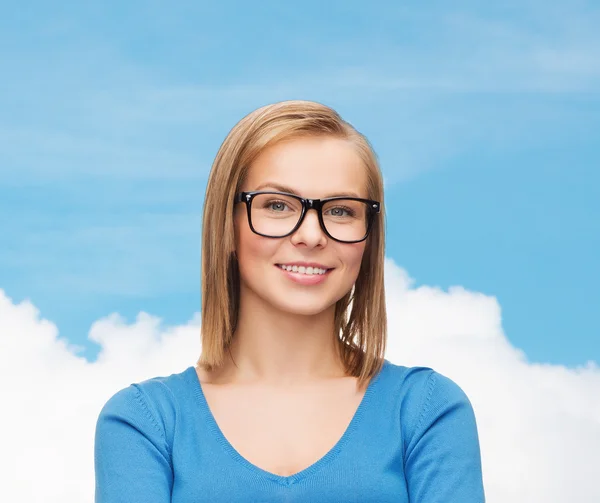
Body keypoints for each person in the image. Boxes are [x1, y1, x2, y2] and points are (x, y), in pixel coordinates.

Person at [94, 100, 486, 502]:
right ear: (226, 227)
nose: (312, 235)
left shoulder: (427, 412)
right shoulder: (144, 422)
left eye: (340, 211)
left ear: (368, 237)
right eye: (277, 205)